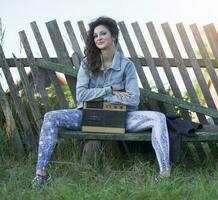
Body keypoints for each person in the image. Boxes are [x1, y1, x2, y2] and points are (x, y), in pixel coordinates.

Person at [31, 16, 171, 188]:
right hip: (88, 116)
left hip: (121, 117)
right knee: (51, 117)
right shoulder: (87, 64)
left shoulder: (127, 66)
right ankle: (41, 174)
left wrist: (102, 97)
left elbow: (133, 99)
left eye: (103, 33)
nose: (99, 37)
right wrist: (111, 90)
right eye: (95, 35)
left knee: (158, 117)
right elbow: (81, 96)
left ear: (113, 36)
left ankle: (165, 174)